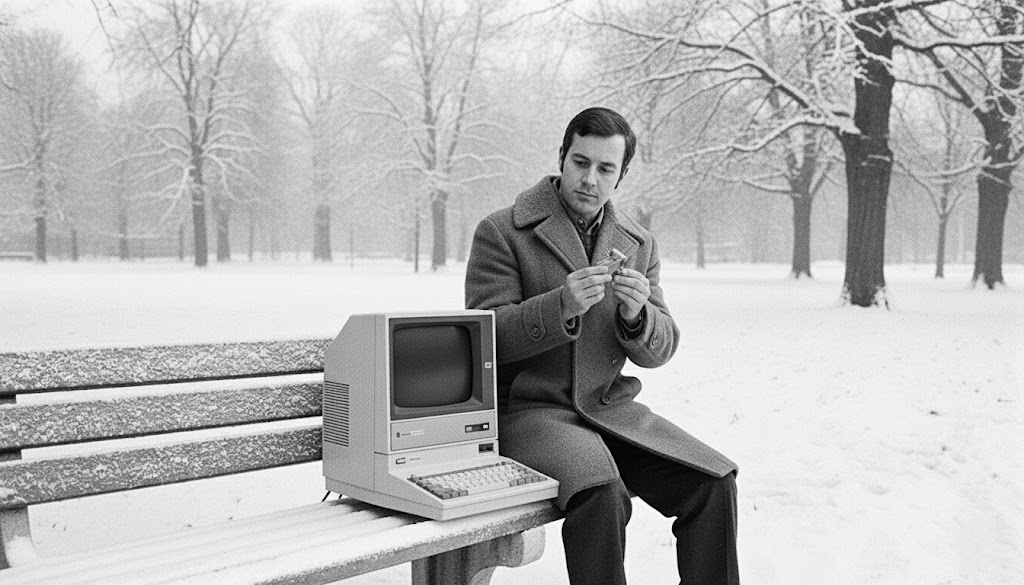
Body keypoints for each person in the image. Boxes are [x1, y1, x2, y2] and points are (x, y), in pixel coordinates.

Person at [464, 107, 740, 585]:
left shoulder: (638, 243)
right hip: (529, 414)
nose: (589, 179)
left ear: (621, 175)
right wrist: (560, 306)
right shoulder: (503, 232)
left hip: (610, 412)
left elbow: (661, 348)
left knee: (713, 483)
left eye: (605, 168)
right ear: (562, 158)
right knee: (603, 493)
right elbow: (483, 340)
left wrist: (637, 317)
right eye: (580, 162)